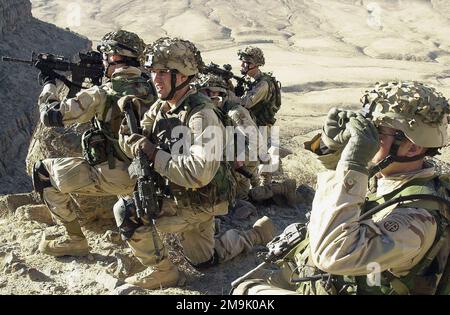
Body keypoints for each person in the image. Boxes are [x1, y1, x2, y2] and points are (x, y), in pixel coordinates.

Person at [232, 81, 450, 295]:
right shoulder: (391, 177)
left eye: (378, 131)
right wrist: (333, 150)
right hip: (332, 279)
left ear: (412, 148)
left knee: (245, 291)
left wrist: (353, 164)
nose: (367, 136)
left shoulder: (417, 217)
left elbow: (332, 254)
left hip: (337, 271)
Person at [116, 37, 276, 290]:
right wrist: (129, 131)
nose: (155, 79)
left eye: (162, 73)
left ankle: (163, 272)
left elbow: (197, 173)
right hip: (185, 194)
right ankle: (255, 234)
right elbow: (133, 144)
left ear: (181, 77)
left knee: (129, 212)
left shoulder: (202, 116)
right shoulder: (162, 106)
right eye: (153, 72)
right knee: (204, 261)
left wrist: (152, 152)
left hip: (200, 200)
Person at [33, 30, 156, 257]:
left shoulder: (101, 93)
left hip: (121, 178)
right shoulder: (158, 87)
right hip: (156, 177)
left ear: (114, 58)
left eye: (105, 57)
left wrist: (49, 84)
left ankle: (74, 239)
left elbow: (50, 116)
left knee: (42, 172)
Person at [229, 46, 282, 186]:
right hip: (251, 123)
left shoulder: (263, 84)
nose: (242, 65)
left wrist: (229, 95)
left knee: (257, 157)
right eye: (242, 61)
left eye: (246, 63)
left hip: (262, 125)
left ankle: (265, 188)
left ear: (256, 64)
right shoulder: (250, 81)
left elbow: (246, 102)